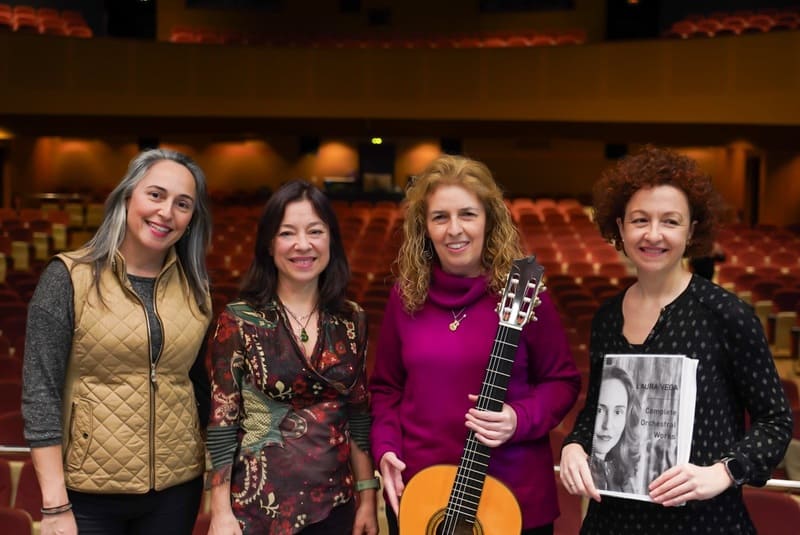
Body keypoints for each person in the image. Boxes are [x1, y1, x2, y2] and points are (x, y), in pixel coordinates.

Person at [560, 145, 793, 534]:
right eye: (639, 220)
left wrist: (724, 471)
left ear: (692, 230)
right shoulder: (605, 318)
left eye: (670, 221)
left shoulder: (727, 315)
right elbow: (597, 412)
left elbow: (776, 421)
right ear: (619, 227)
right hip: (613, 520)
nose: (653, 234)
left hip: (703, 521)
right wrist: (573, 445)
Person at [369, 155, 581, 535]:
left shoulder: (523, 293)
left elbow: (562, 381)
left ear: (489, 220)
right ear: (424, 228)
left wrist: (518, 418)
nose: (454, 230)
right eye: (440, 217)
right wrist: (385, 448)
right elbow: (386, 388)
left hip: (512, 496)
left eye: (467, 214)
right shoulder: (405, 298)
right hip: (424, 497)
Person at [21, 148, 214, 535]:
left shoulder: (196, 290)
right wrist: (55, 504)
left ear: (192, 218)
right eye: (155, 195)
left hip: (177, 490)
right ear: (127, 197)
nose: (166, 213)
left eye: (182, 204)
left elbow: (196, 386)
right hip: (88, 493)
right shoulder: (67, 277)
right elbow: (40, 391)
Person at [205, 180, 377, 535]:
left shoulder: (351, 319)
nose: (303, 245)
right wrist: (220, 513)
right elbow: (223, 420)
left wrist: (368, 499)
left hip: (335, 505)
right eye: (287, 233)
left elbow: (358, 413)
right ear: (269, 244)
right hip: (256, 509)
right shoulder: (239, 319)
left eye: (315, 231)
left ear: (331, 240)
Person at [590, 364, 641, 494]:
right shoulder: (579, 467)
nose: (607, 424)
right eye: (600, 410)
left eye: (618, 412)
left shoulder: (618, 470)